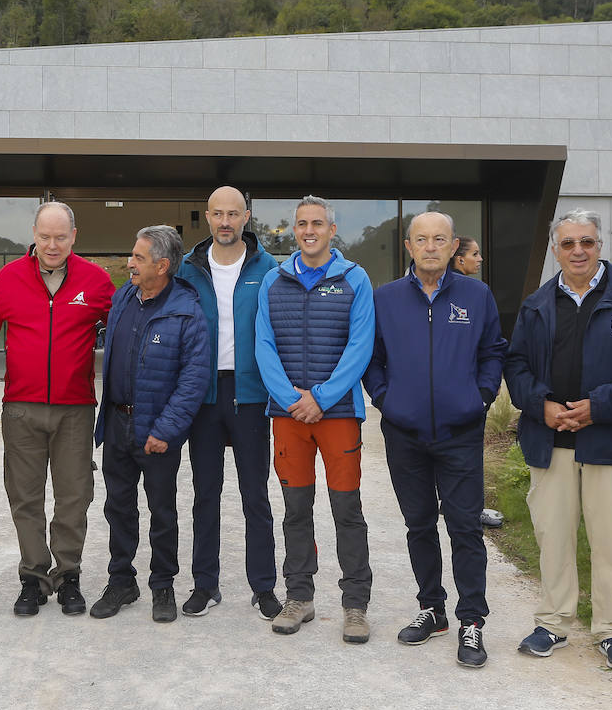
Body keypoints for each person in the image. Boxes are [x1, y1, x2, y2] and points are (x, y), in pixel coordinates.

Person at [504, 208, 612, 671]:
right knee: (552, 537)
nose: (579, 251)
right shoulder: (537, 305)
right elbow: (515, 366)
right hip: (549, 440)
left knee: (609, 541)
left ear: (600, 246)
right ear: (556, 249)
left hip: (610, 443)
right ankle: (553, 623)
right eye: (569, 243)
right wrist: (543, 406)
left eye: (587, 242)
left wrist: (599, 407)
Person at [363, 212, 506, 668]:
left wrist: (478, 398)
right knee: (419, 524)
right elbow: (372, 358)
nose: (430, 247)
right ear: (408, 246)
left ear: (451, 247)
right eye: (421, 239)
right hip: (405, 434)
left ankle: (471, 621)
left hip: (459, 433)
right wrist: (388, 401)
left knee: (465, 528)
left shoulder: (476, 295)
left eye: (439, 239)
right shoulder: (385, 299)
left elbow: (492, 352)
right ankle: (432, 609)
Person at [0, 202, 115, 616]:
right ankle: (33, 578)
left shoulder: (96, 281)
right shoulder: (8, 278)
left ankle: (68, 576)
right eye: (44, 237)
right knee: (25, 497)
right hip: (21, 407)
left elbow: (127, 329)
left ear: (74, 236)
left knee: (74, 497)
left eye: (60, 237)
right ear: (33, 235)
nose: (51, 245)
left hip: (74, 409)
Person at [255, 196, 376, 643]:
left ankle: (356, 605)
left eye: (318, 224)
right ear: (294, 230)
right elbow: (263, 345)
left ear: (332, 229)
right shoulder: (273, 280)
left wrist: (321, 398)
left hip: (338, 413)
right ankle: (299, 597)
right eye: (302, 224)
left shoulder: (355, 279)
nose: (309, 231)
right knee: (295, 509)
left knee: (347, 509)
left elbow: (360, 346)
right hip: (288, 416)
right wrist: (291, 399)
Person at [91, 226, 208, 622]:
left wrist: (165, 430)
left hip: (158, 432)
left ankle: (163, 585)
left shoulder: (187, 311)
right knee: (118, 509)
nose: (130, 263)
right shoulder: (124, 296)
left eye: (139, 258)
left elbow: (194, 380)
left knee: (162, 512)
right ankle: (121, 581)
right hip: (117, 423)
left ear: (162, 265)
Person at [176, 187, 281, 620]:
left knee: (255, 495)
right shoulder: (188, 268)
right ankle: (205, 584)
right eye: (217, 214)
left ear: (246, 217)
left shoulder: (268, 267)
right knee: (205, 494)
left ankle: (264, 586)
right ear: (207, 216)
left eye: (232, 214)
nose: (224, 221)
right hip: (203, 395)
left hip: (251, 395)